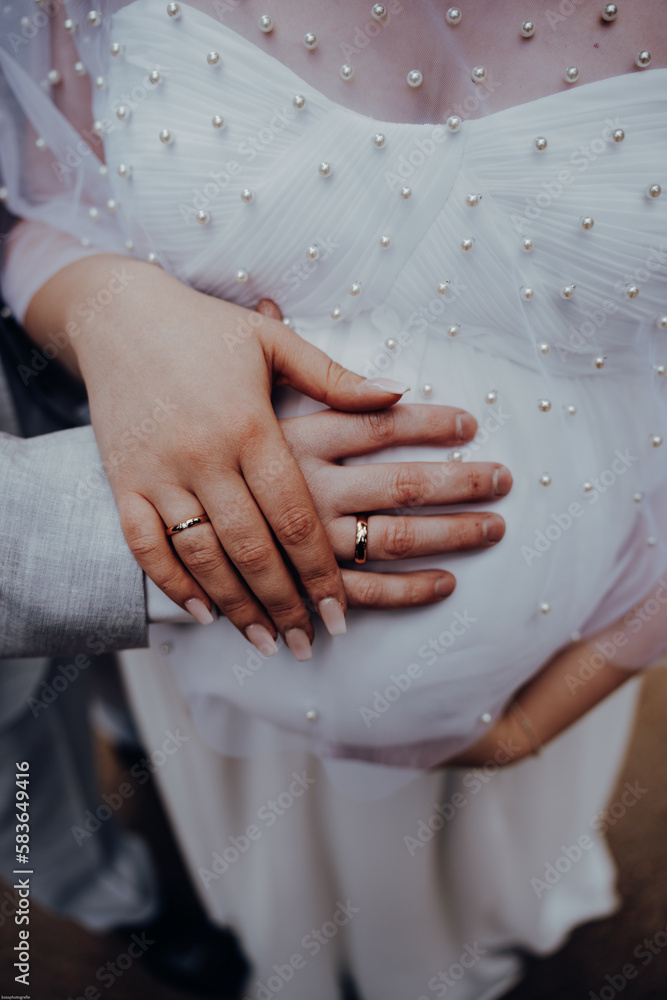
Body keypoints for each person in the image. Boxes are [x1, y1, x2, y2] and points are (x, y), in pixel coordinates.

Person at [2, 1, 666, 996]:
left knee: (484, 872)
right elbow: (41, 197)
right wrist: (106, 306)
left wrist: (596, 668)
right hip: (207, 635)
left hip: (565, 647)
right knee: (264, 872)